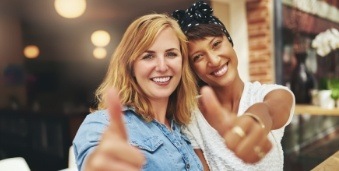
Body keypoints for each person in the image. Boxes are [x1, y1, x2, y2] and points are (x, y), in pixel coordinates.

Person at [72, 13, 206, 171]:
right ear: (130, 67)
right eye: (148, 56)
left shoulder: (184, 126)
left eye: (171, 54)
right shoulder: (102, 124)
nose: (162, 66)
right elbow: (96, 158)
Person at [172, 1, 295, 170]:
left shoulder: (270, 93)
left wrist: (255, 120)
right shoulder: (190, 116)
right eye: (198, 57)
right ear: (192, 69)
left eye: (216, 44)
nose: (214, 60)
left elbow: (271, 109)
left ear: (230, 42)